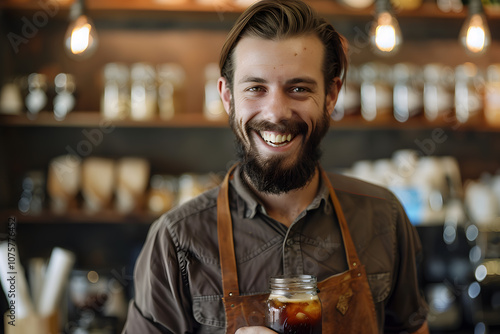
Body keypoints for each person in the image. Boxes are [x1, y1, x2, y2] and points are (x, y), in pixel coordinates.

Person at [123, 0, 429, 333]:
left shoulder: (384, 218)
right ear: (227, 97)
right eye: (255, 88)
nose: (276, 112)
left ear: (331, 96)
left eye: (299, 89)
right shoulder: (176, 242)